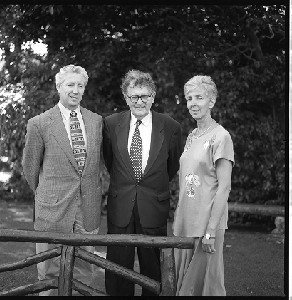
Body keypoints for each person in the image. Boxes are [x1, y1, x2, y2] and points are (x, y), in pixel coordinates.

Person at [22, 64, 103, 296]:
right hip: (52, 208)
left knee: (84, 270)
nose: (75, 90)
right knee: (48, 271)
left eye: (80, 85)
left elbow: (98, 164)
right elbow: (30, 169)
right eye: (70, 84)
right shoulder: (40, 123)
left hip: (87, 207)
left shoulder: (96, 121)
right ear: (59, 87)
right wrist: (47, 194)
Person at [103, 69, 182, 296]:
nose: (139, 101)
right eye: (134, 96)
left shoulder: (170, 126)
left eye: (145, 96)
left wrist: (150, 185)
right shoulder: (110, 124)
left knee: (153, 268)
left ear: (153, 96)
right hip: (121, 205)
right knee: (118, 265)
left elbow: (171, 166)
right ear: (126, 98)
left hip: (154, 204)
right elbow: (112, 162)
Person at [172, 75, 234, 296]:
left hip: (207, 222)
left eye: (199, 97)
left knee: (205, 286)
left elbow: (224, 187)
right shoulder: (192, 136)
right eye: (189, 98)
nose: (193, 103)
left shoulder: (221, 136)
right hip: (185, 221)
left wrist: (210, 232)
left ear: (212, 101)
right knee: (182, 284)